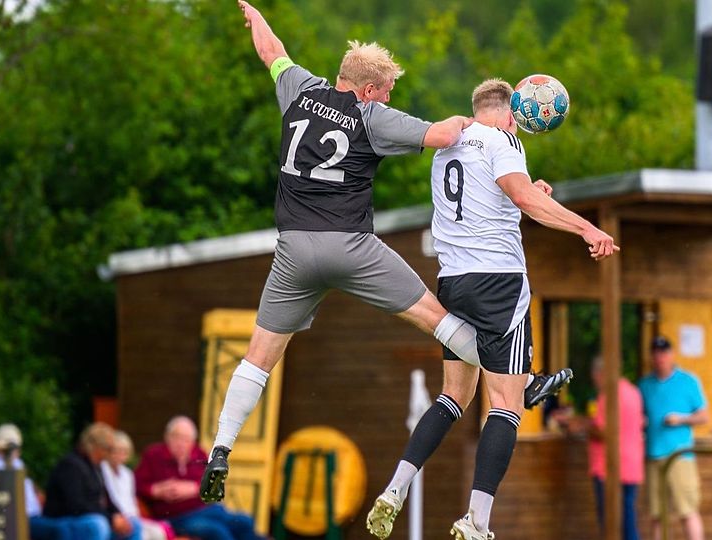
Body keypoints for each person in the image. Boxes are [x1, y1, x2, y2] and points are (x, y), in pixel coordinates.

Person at [200, 1, 572, 502]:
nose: (391, 95)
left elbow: (272, 51)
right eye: (388, 88)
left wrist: (255, 16)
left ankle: (221, 447)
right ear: (369, 90)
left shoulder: (298, 88)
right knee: (436, 317)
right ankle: (519, 385)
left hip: (292, 251)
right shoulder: (372, 116)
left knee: (258, 357)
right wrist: (475, 123)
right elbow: (443, 135)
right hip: (352, 248)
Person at [365, 78, 616, 540]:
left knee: (453, 397)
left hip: (453, 282)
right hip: (499, 282)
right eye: (518, 121)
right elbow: (521, 198)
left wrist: (527, 190)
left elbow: (491, 201)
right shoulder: (503, 140)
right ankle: (476, 520)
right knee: (506, 403)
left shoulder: (449, 144)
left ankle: (394, 489)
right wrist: (587, 228)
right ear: (508, 113)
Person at [554, 356, 644, 540]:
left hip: (609, 468)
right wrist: (583, 421)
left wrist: (578, 425)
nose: (594, 380)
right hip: (631, 466)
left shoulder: (609, 395)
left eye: (594, 375)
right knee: (628, 521)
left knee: (612, 526)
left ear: (601, 373)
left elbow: (603, 431)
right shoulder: (633, 391)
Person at [136, 416, 260, 540]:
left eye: (186, 439)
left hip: (207, 510)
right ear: (167, 437)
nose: (181, 443)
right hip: (175, 517)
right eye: (176, 437)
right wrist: (155, 490)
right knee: (216, 531)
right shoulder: (153, 455)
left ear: (192, 441)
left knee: (244, 521)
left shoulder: (199, 454)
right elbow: (136, 484)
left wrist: (195, 488)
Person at [638, 336, 707, 540]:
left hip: (680, 456)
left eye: (664, 352)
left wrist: (681, 419)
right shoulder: (644, 385)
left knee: (688, 511)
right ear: (651, 356)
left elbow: (704, 416)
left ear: (672, 354)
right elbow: (639, 417)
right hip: (653, 456)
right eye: (656, 353)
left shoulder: (688, 381)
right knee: (657, 516)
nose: (660, 357)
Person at [43, 422, 141, 540]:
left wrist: (118, 516)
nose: (110, 454)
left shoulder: (96, 467)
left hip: (92, 517)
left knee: (134, 525)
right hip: (66, 519)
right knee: (98, 525)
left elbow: (107, 498)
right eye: (109, 449)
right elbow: (77, 505)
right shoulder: (71, 465)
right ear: (96, 447)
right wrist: (110, 519)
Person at [0, 424, 72, 540]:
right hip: (16, 520)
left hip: (34, 516)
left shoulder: (18, 463)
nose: (18, 451)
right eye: (15, 447)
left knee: (69, 526)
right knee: (60, 529)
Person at [101, 430, 174, 540]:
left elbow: (131, 501)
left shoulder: (128, 474)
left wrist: (134, 517)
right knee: (141, 531)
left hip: (131, 517)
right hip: (115, 518)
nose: (119, 455)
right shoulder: (102, 470)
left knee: (159, 532)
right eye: (116, 451)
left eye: (124, 451)